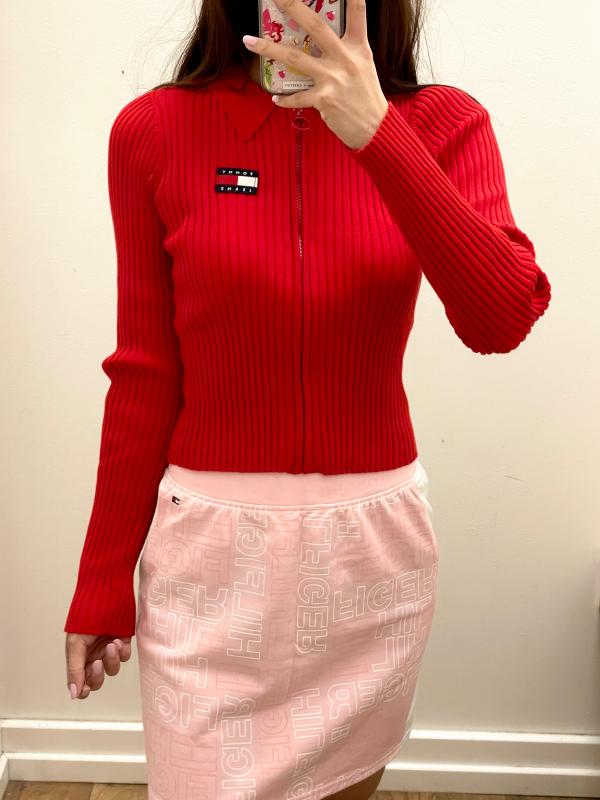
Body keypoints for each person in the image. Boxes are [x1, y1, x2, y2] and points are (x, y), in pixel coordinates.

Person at [64, 1, 551, 799]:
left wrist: (379, 134)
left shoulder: (443, 125)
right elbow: (145, 371)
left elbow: (500, 318)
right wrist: (102, 576)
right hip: (209, 555)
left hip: (371, 557)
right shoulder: (154, 131)